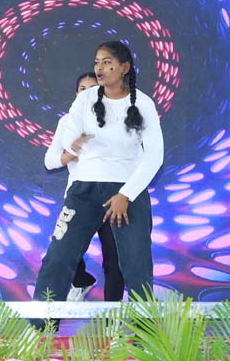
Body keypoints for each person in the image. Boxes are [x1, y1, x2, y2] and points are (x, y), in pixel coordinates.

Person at [32, 41, 163, 324]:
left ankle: (146, 337)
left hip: (126, 194)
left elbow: (155, 156)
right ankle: (40, 329)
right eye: (97, 62)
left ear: (124, 67)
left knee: (137, 265)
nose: (100, 68)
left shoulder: (143, 104)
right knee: (58, 257)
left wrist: (126, 195)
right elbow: (69, 135)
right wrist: (74, 142)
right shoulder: (85, 99)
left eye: (107, 62)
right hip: (84, 190)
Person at [45, 72, 125, 302]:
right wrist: (72, 153)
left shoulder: (117, 120)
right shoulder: (67, 122)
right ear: (76, 94)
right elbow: (49, 161)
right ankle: (80, 281)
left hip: (111, 198)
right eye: (83, 89)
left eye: (94, 88)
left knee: (114, 261)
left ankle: (112, 320)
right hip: (80, 198)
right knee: (62, 254)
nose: (88, 93)